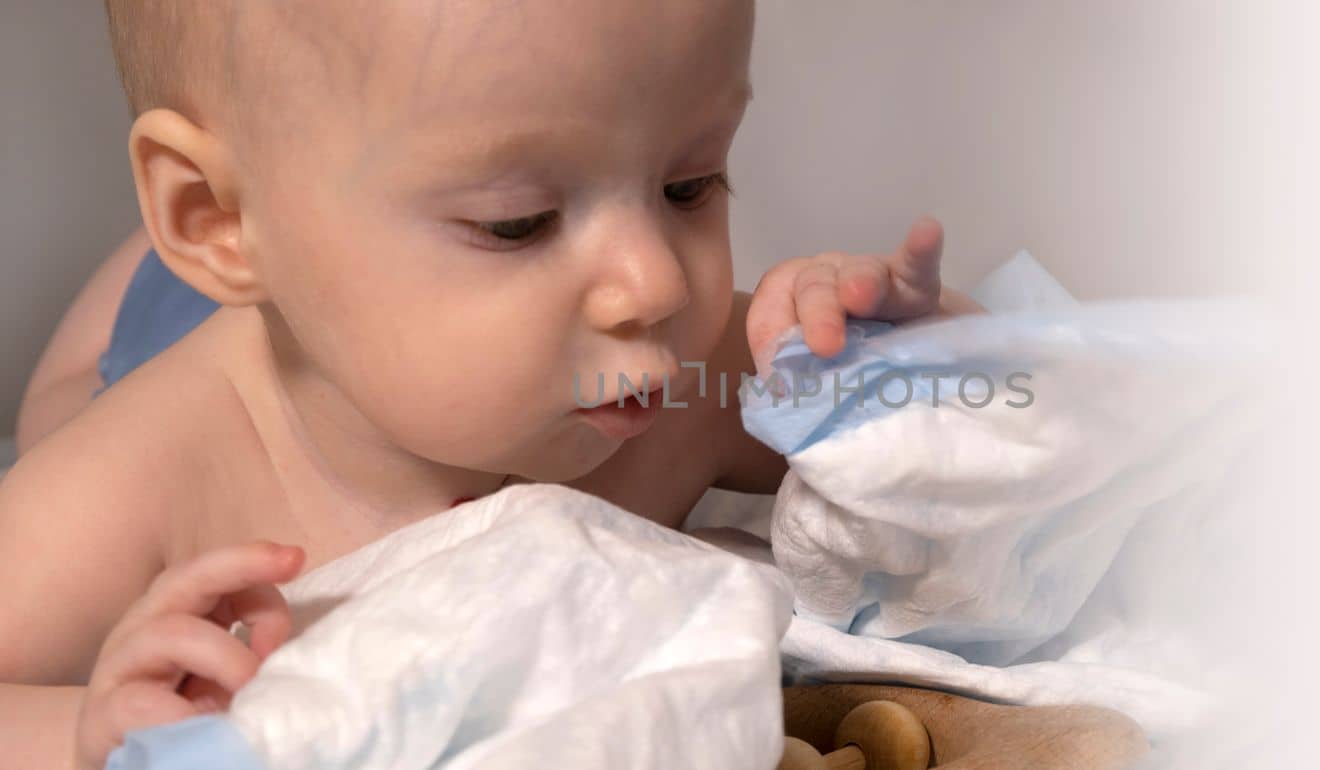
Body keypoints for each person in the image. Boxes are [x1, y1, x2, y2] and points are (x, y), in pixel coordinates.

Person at [0, 2, 982, 767]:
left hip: (300, 271)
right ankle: (155, 259)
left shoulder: (671, 377)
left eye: (690, 182)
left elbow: (990, 431)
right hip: (161, 337)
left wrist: (897, 353)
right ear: (215, 215)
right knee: (65, 397)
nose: (655, 282)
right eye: (519, 221)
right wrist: (96, 731)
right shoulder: (159, 466)